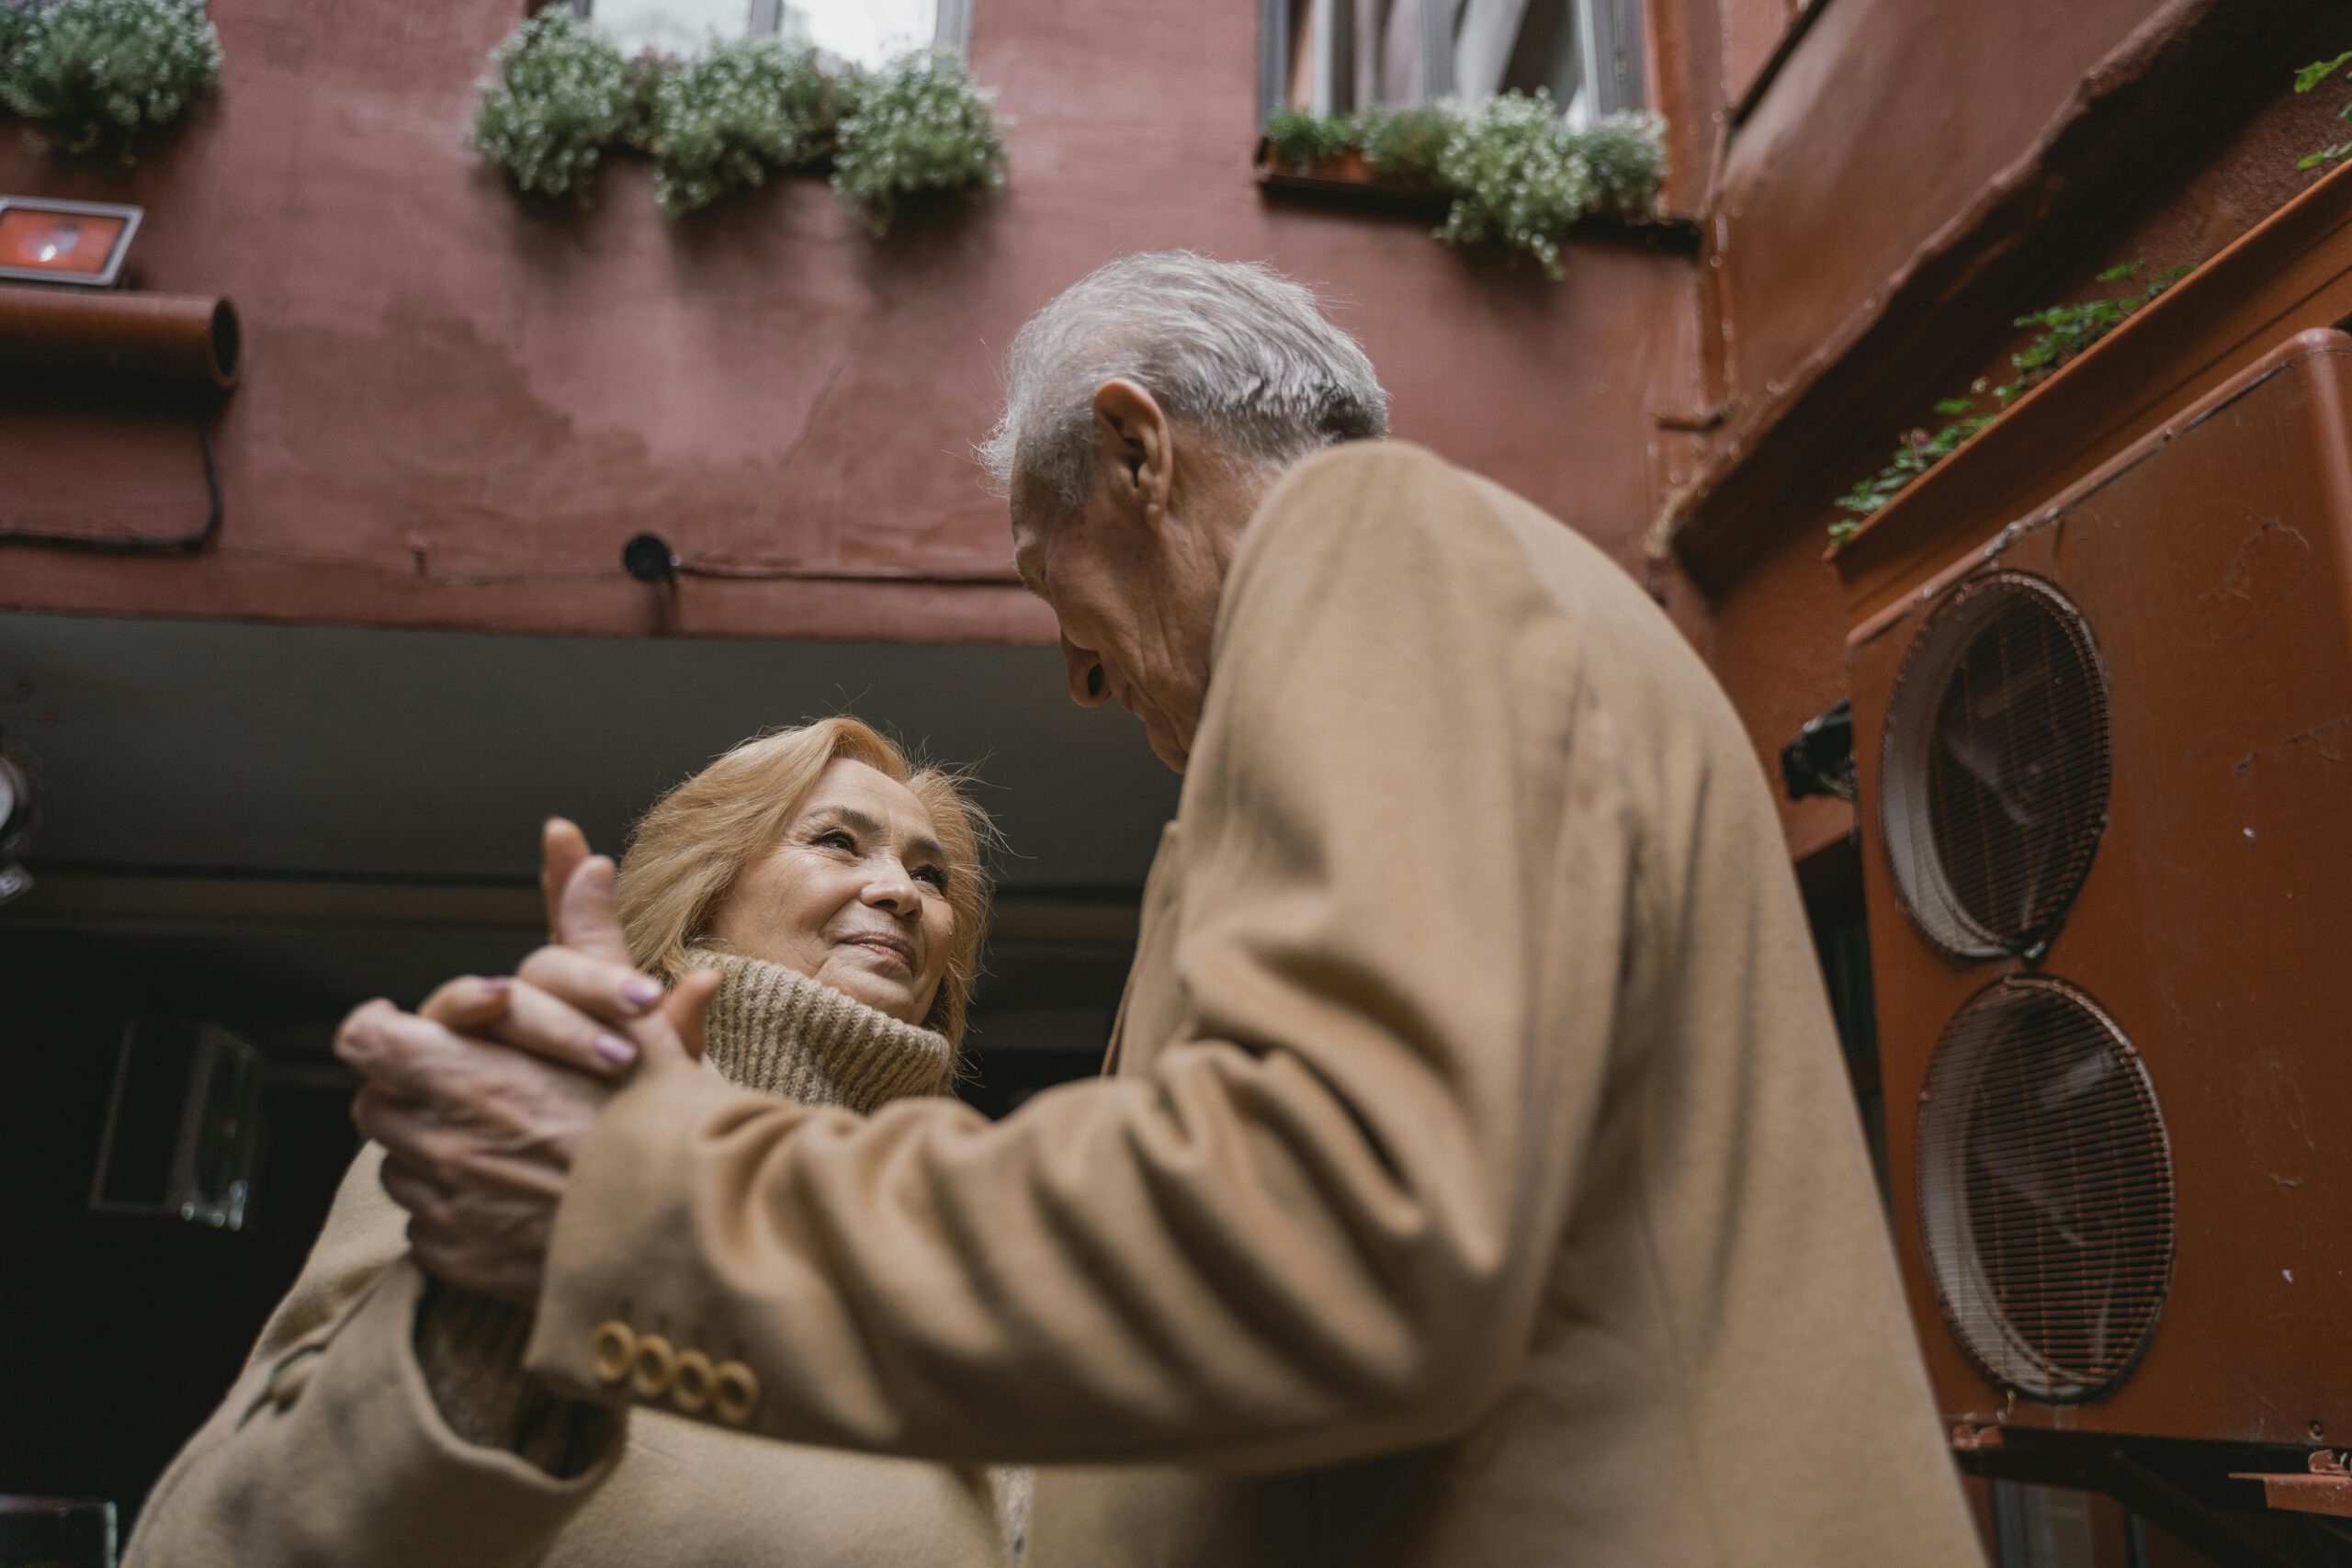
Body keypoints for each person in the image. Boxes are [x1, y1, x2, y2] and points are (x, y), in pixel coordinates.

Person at [338, 252, 1987, 1566]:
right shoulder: (1514, 628)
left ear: (1137, 451)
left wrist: (646, 1205)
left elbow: (1342, 1220)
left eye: (1056, 589)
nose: (1075, 672)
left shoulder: (1372, 538)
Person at [127, 718, 1023, 1568]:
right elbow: (260, 1531)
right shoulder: (530, 1129)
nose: (902, 894)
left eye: (933, 878)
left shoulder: (976, 1219)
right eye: (836, 840)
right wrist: (495, 1315)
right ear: (705, 890)